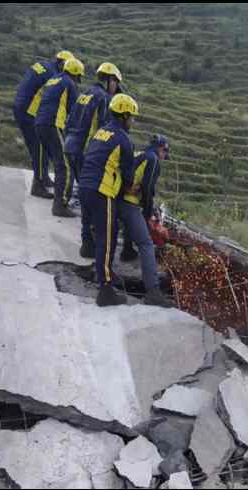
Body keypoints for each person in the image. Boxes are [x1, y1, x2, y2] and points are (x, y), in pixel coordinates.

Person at [78, 94, 139, 307]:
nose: (133, 122)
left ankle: (102, 270)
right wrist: (132, 188)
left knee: (102, 232)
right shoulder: (123, 139)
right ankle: (105, 290)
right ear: (124, 116)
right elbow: (129, 175)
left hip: (84, 186)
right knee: (108, 237)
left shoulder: (101, 132)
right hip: (101, 191)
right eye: (132, 117)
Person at [63, 62, 124, 257]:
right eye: (115, 83)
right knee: (92, 199)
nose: (116, 88)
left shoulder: (86, 93)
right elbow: (102, 129)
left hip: (70, 145)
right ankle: (90, 243)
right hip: (84, 152)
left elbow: (70, 118)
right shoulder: (104, 98)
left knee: (84, 195)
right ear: (110, 80)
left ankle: (86, 244)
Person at [117, 134, 174, 307]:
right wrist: (148, 213)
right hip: (129, 201)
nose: (164, 158)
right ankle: (153, 292)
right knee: (146, 243)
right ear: (161, 148)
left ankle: (126, 251)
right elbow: (148, 188)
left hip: (114, 197)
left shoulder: (139, 154)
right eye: (165, 153)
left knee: (122, 228)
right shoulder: (154, 159)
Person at [14, 50, 73, 198]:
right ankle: (38, 185)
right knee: (39, 147)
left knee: (41, 146)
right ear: (61, 64)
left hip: (21, 106)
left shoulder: (44, 65)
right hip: (30, 111)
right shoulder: (53, 75)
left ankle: (44, 177)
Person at [34, 57, 84, 217]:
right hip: (52, 124)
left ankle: (49, 192)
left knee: (57, 162)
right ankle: (60, 205)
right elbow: (74, 110)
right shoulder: (69, 83)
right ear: (76, 74)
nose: (78, 80)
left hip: (40, 123)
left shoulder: (54, 79)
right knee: (64, 165)